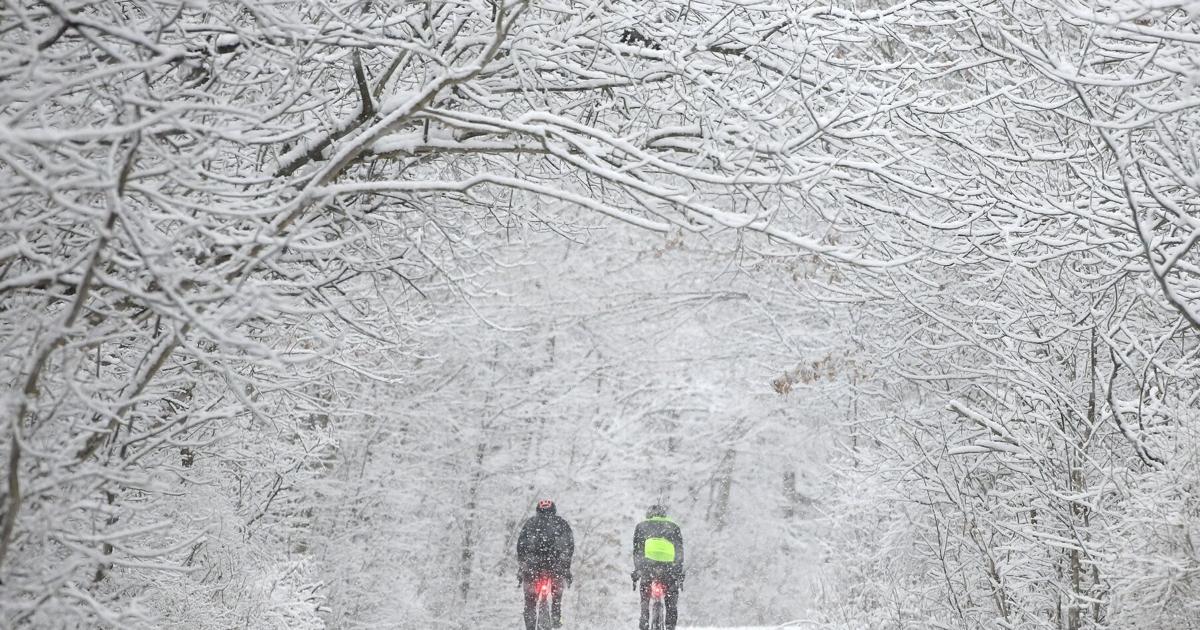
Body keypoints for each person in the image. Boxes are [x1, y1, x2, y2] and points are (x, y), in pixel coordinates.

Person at [517, 499, 574, 629]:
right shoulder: (562, 524)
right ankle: (556, 620)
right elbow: (569, 547)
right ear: (554, 510)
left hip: (533, 567)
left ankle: (530, 626)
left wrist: (522, 567)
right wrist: (566, 568)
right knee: (556, 597)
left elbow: (520, 547)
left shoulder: (530, 524)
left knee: (530, 601)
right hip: (555, 567)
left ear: (538, 510)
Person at [631, 504, 684, 630]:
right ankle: (670, 626)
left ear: (649, 515)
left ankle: (644, 620)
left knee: (645, 595)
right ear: (664, 515)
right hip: (668, 568)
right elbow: (679, 552)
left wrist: (638, 570)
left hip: (648, 568)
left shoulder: (641, 526)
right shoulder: (674, 527)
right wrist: (678, 572)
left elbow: (637, 551)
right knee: (671, 600)